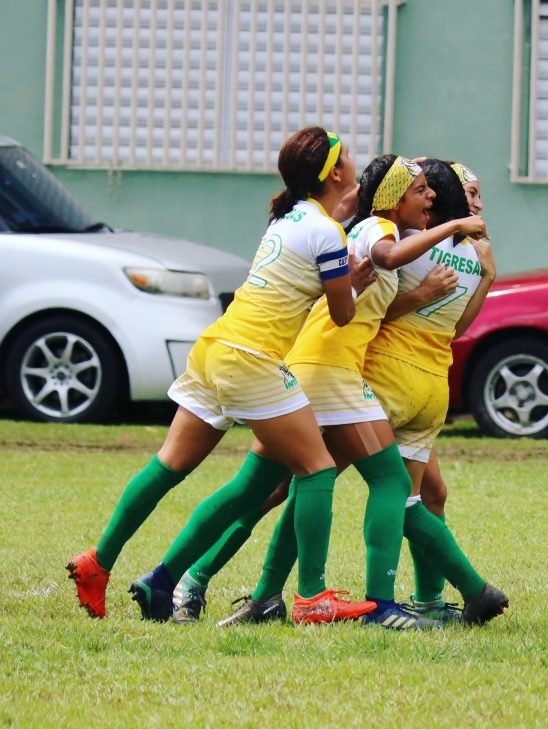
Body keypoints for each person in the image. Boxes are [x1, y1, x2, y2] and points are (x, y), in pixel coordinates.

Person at [66, 126, 376, 625]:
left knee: (171, 466)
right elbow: (342, 315)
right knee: (317, 469)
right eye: (347, 158)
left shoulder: (289, 219)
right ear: (334, 172)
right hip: (251, 360)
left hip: (215, 350)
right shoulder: (328, 232)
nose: (354, 164)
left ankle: (105, 565)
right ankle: (313, 596)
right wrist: (353, 283)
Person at [177, 155, 488, 630]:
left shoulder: (398, 234)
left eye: (433, 190)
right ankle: (386, 603)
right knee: (294, 487)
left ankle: (225, 589)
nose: (474, 205)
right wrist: (441, 254)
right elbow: (380, 258)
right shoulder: (385, 236)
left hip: (337, 369)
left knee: (281, 486)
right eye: (464, 195)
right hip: (329, 369)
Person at [363, 159, 505, 624]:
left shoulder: (441, 249)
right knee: (422, 495)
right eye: (472, 192)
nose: (480, 203)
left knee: (312, 480)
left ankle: (415, 600)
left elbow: (450, 327)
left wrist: (483, 278)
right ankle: (436, 598)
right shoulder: (416, 243)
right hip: (413, 386)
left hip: (399, 382)